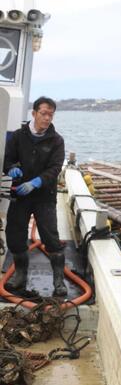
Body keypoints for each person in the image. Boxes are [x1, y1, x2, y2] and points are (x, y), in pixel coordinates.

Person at [3, 96, 67, 296]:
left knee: (51, 238)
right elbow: (7, 160)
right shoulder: (17, 136)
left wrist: (36, 182)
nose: (47, 118)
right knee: (15, 235)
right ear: (34, 113)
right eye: (43, 113)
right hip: (20, 195)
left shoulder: (56, 140)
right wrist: (11, 169)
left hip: (44, 196)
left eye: (50, 114)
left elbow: (55, 168)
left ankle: (58, 281)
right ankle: (20, 275)